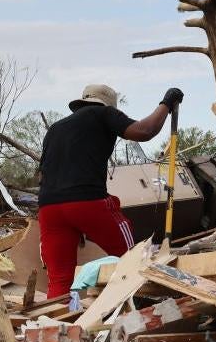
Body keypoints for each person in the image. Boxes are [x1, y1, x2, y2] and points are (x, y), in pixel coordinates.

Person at [39, 84, 183, 297]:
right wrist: (166, 103)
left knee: (59, 279)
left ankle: (54, 325)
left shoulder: (55, 129)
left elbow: (42, 174)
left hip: (49, 208)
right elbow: (145, 130)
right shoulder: (103, 113)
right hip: (87, 201)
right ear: (108, 104)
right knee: (131, 257)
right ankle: (140, 301)